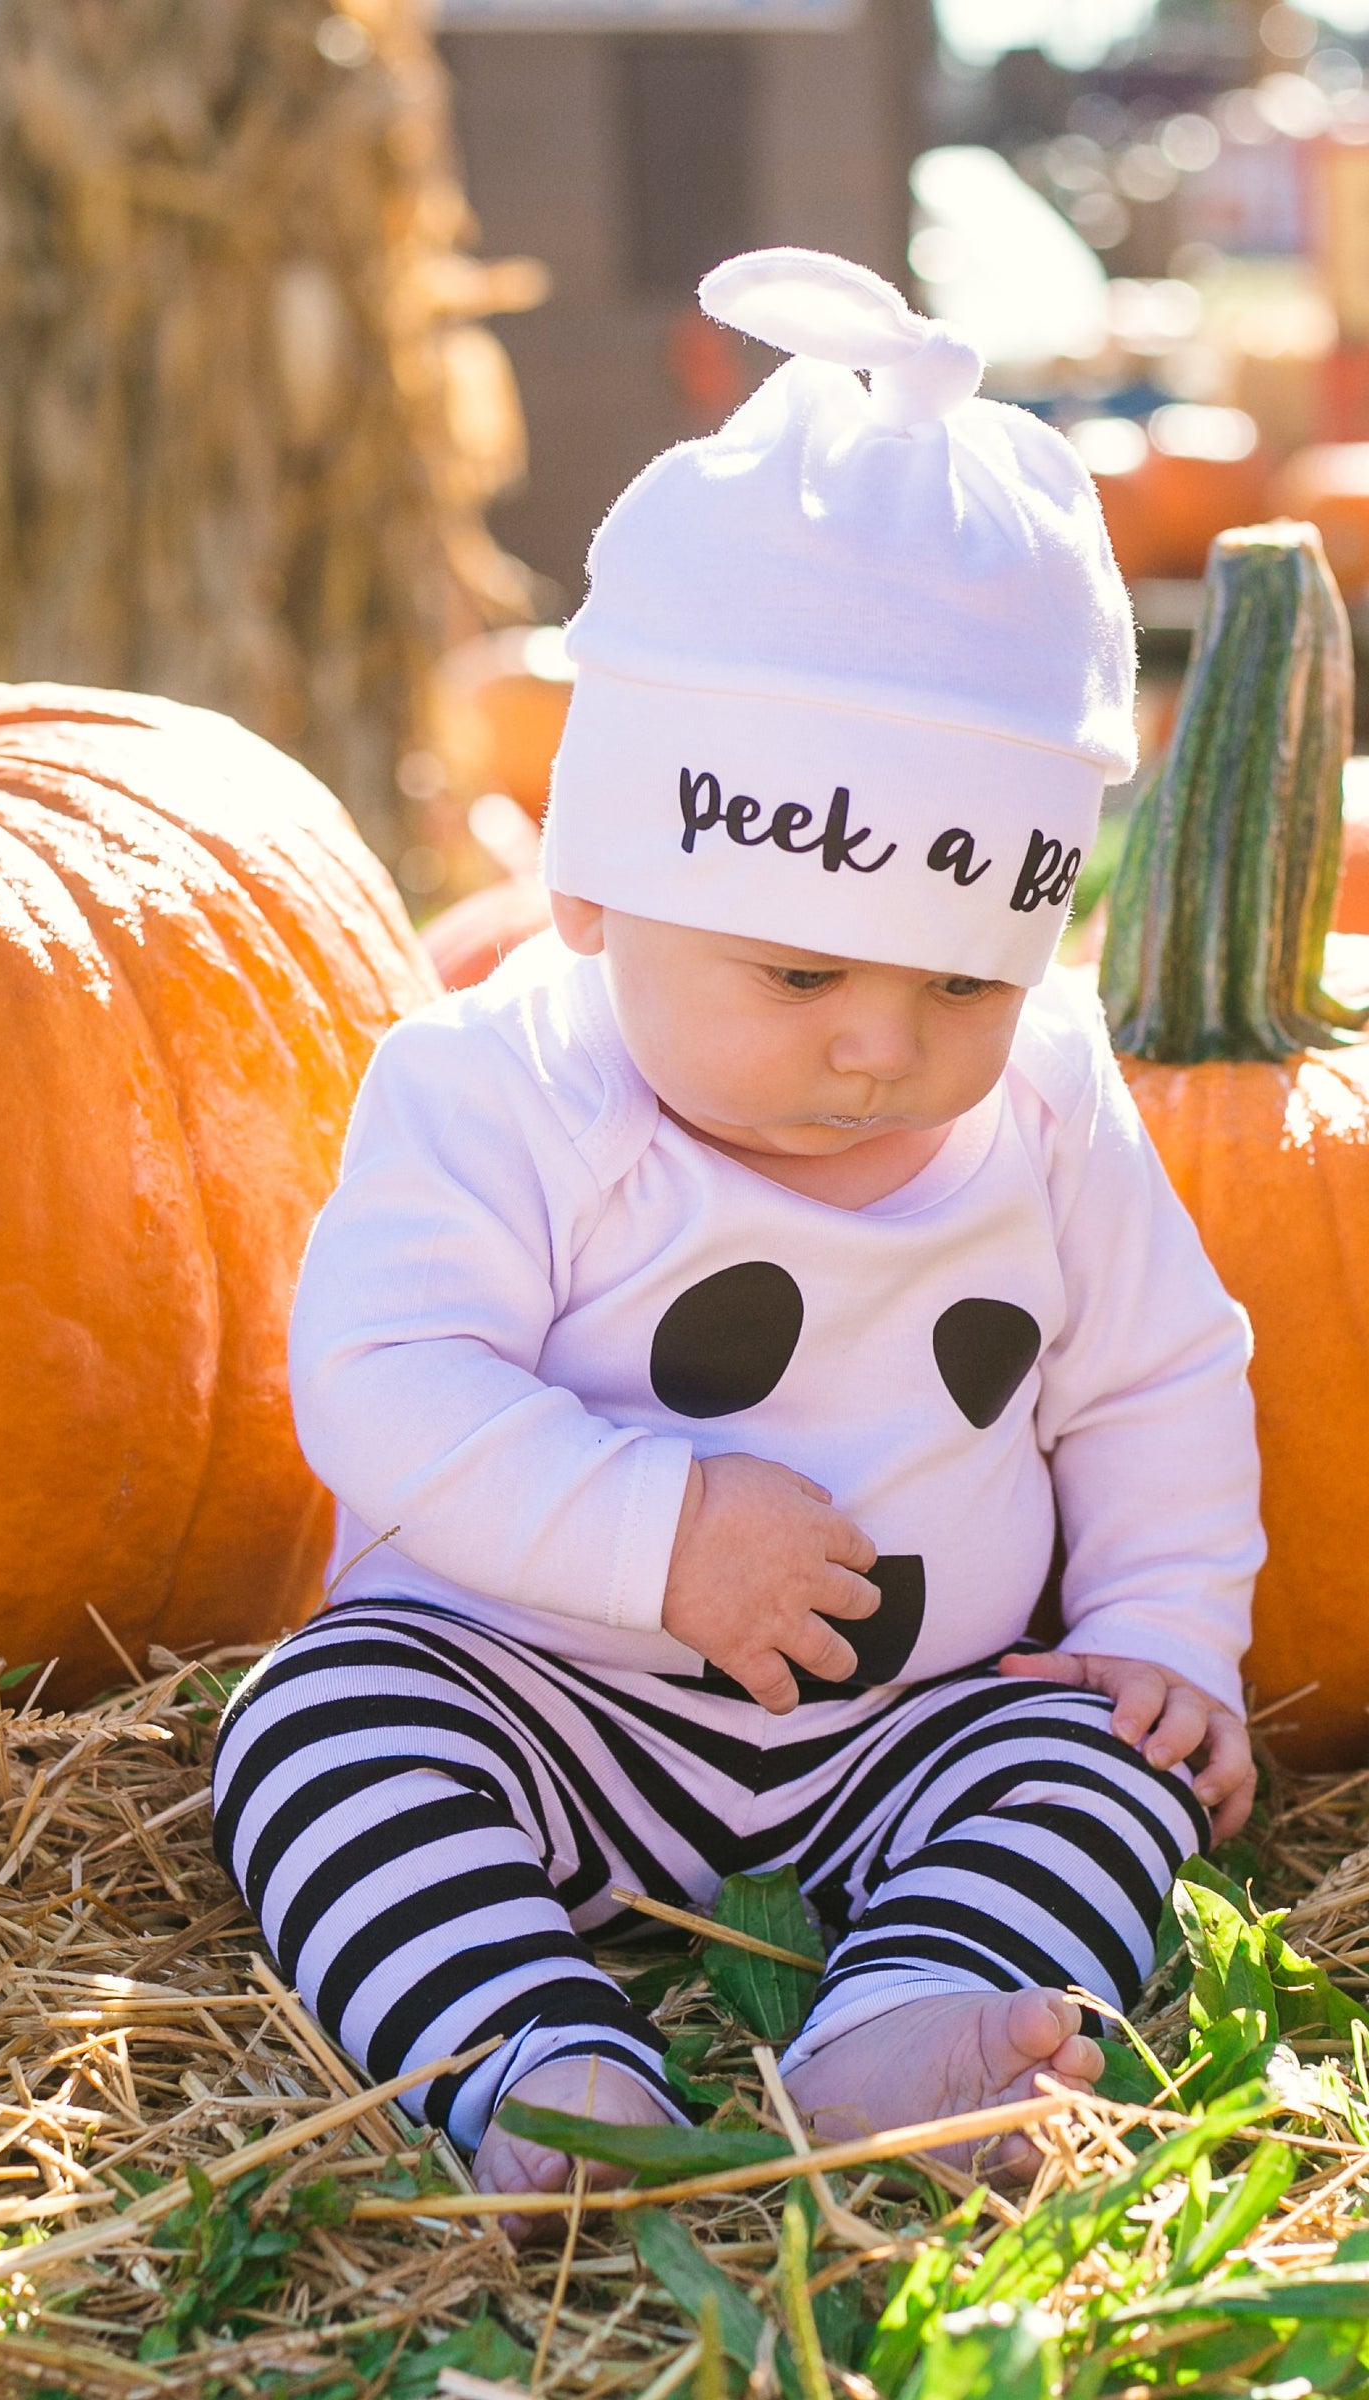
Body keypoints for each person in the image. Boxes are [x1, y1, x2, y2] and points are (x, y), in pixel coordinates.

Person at [212, 249, 1262, 2215]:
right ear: (598, 885)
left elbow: (1151, 1377)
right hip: (534, 1687)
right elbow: (380, 1378)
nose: (880, 1044)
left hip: (905, 1725)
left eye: (958, 985)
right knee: (316, 1735)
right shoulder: (491, 1090)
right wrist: (653, 1532)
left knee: (1093, 1773)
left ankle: (914, 2020)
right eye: (794, 973)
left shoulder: (1044, 1096)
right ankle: (525, 2048)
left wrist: (1151, 1634)